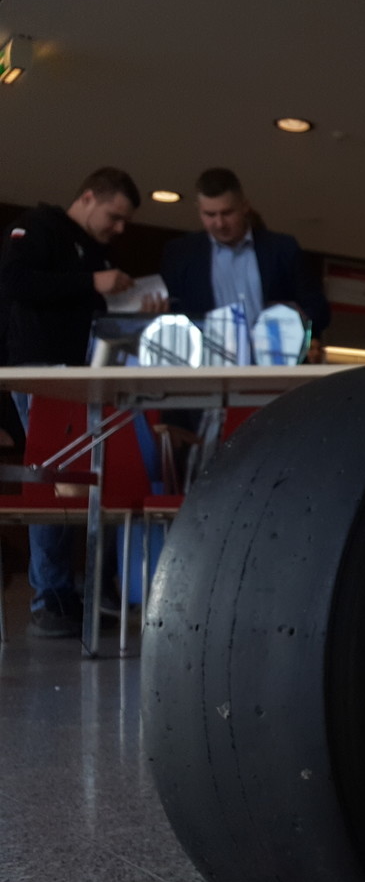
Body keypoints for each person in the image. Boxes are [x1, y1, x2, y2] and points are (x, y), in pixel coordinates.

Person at [0, 167, 155, 637]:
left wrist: (134, 305)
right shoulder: (38, 228)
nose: (119, 228)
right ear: (88, 197)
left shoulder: (94, 251)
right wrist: (92, 283)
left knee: (84, 480)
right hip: (40, 371)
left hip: (83, 375)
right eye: (114, 216)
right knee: (54, 482)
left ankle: (81, 590)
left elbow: (88, 307)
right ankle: (50, 596)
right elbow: (14, 281)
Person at [160, 168, 330, 344]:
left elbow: (319, 310)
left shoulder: (282, 249)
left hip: (274, 356)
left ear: (245, 206)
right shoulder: (181, 254)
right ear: (199, 210)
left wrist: (297, 319)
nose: (219, 223)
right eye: (210, 215)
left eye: (227, 213)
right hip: (206, 358)